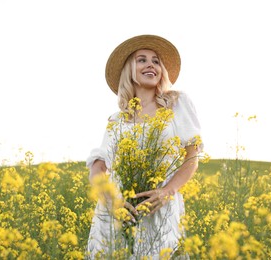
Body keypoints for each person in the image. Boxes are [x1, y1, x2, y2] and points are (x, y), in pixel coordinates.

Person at [86, 34, 203, 259]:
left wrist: (167, 191)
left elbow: (192, 156)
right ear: (129, 70)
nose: (151, 64)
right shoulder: (116, 120)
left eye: (156, 61)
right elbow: (98, 167)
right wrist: (112, 201)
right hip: (117, 213)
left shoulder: (177, 103)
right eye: (142, 60)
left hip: (158, 207)